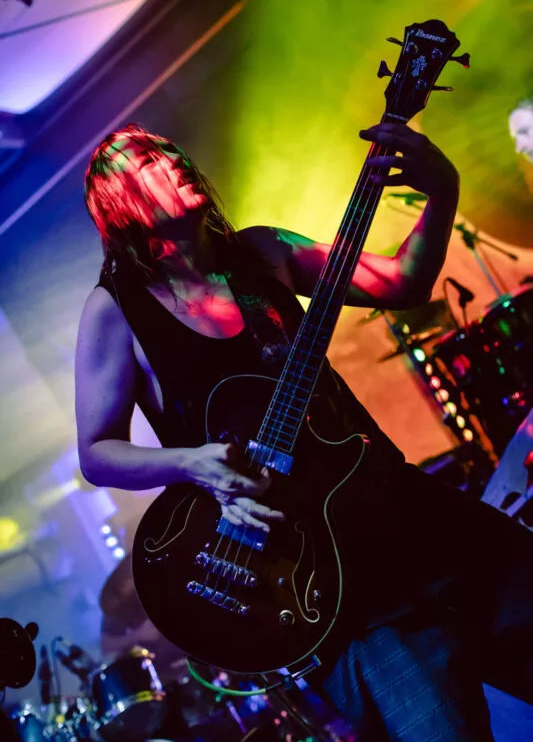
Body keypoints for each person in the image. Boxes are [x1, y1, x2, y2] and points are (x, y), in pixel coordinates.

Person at [76, 122, 533, 741]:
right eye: (151, 160)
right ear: (118, 198)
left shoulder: (263, 253)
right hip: (324, 579)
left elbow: (403, 282)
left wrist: (442, 189)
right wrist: (191, 463)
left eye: (172, 149)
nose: (174, 158)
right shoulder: (117, 309)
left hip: (412, 514)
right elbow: (98, 453)